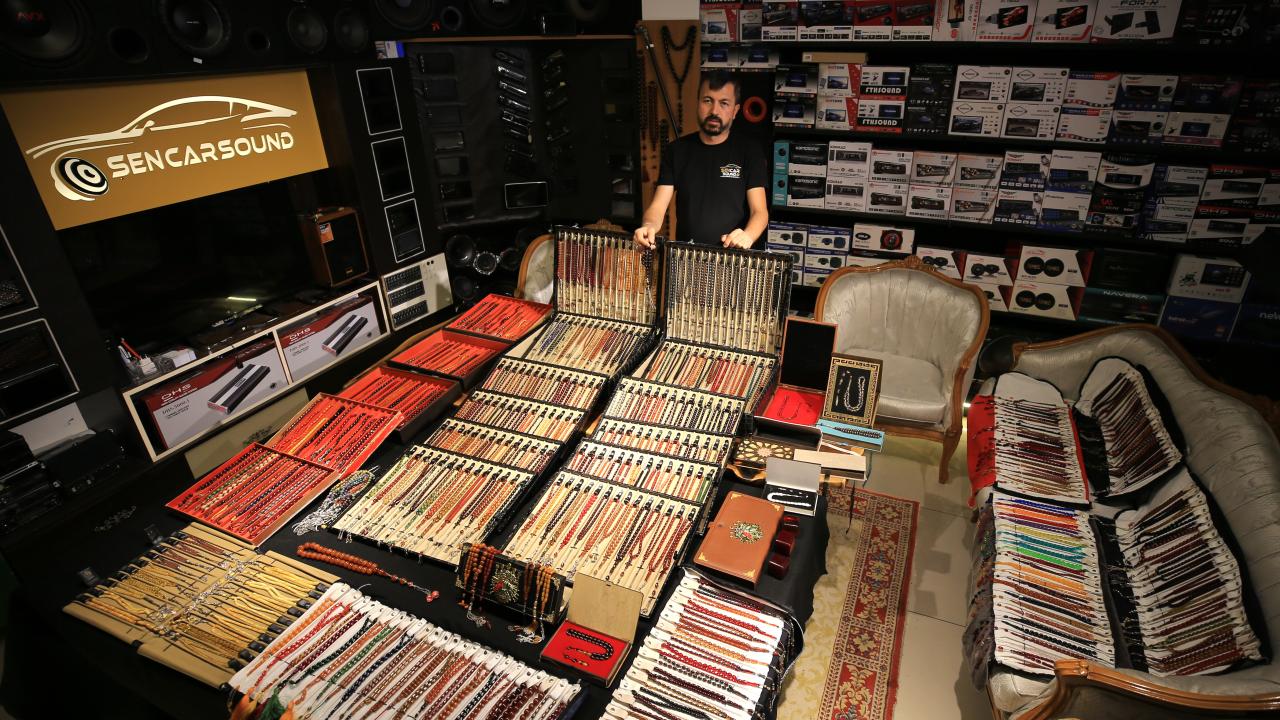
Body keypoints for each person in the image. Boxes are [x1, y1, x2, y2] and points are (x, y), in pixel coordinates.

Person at [633, 70, 768, 250]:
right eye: (707, 101)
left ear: (735, 111)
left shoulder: (750, 151)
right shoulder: (676, 150)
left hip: (734, 257)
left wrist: (748, 235)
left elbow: (760, 212)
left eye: (724, 103)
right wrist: (648, 225)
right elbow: (658, 206)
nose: (714, 111)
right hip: (686, 256)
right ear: (698, 103)